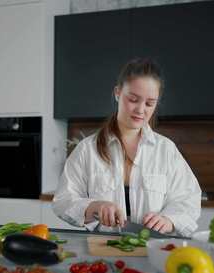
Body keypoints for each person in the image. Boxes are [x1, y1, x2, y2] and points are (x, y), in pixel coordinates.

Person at [53, 58, 201, 237]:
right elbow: (62, 201)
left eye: (149, 103)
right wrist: (94, 207)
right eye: (133, 99)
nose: (140, 110)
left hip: (154, 250)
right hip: (102, 249)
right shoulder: (87, 150)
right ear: (117, 93)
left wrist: (170, 220)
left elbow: (188, 199)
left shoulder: (166, 150)